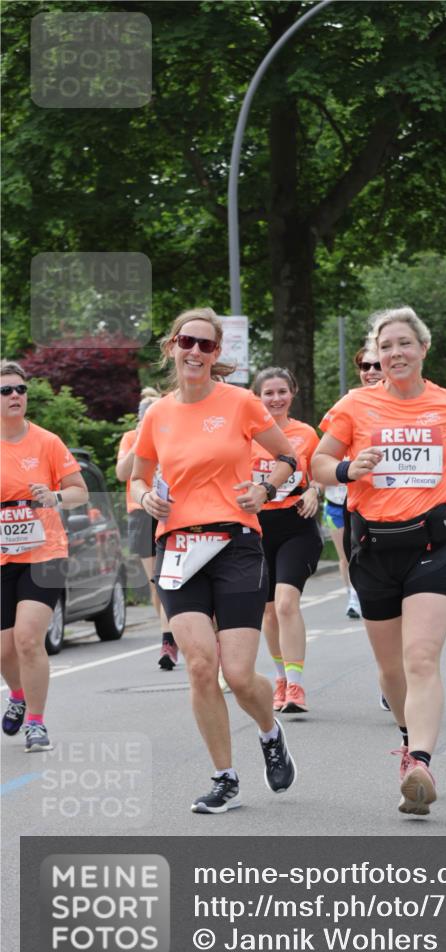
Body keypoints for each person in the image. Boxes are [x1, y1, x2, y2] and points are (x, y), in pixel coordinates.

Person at [312, 306, 446, 816]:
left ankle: (420, 762)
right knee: (391, 669)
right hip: (372, 549)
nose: (394, 353)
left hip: (430, 548)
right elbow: (318, 463)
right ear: (377, 355)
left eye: (404, 344)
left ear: (423, 348)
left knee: (420, 658)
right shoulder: (355, 404)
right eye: (385, 346)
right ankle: (406, 734)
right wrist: (348, 468)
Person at [130, 308, 299, 814]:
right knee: (201, 667)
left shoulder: (240, 402)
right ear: (172, 346)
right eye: (187, 342)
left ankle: (269, 731)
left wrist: (265, 489)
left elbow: (288, 457)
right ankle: (225, 777)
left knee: (239, 675)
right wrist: (145, 499)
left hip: (235, 543)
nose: (195, 352)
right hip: (178, 547)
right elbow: (137, 477)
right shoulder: (158, 414)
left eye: (206, 345)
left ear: (216, 353)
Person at [1, 360, 88, 751]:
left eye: (21, 389)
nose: (15, 396)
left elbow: (79, 491)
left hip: (45, 553)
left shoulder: (47, 442)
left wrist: (54, 497)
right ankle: (18, 695)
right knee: (3, 649)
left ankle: (36, 723)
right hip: (3, 556)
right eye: (6, 391)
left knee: (27, 638)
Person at [250, 367, 323, 713]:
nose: (276, 398)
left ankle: (296, 685)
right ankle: (280, 678)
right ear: (257, 398)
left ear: (293, 393)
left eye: (282, 391)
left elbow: (320, 472)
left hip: (297, 525)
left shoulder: (305, 433)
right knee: (268, 611)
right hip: (257, 529)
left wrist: (314, 491)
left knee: (285, 603)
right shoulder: (246, 436)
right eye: (268, 393)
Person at [116, 387, 179, 670]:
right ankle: (168, 635)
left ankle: (171, 639)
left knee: (168, 579)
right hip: (141, 512)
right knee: (156, 583)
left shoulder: (171, 433)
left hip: (168, 511)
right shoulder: (131, 438)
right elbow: (122, 473)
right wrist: (141, 438)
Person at [322, 345, 382, 620]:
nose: (371, 371)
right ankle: (353, 596)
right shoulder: (348, 405)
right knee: (347, 555)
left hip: (376, 502)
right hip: (338, 501)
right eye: (364, 366)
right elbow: (321, 459)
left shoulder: (402, 409)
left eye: (376, 365)